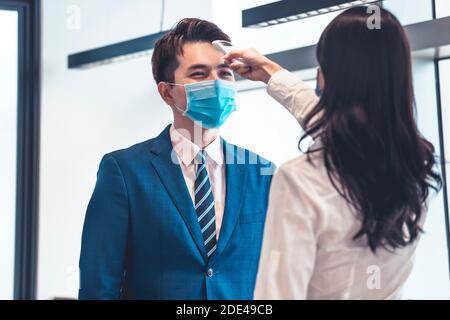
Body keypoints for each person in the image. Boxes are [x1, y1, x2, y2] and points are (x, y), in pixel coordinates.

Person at [224, 6, 442, 299]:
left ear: (324, 77)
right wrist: (271, 73)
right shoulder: (415, 172)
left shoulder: (300, 180)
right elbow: (341, 124)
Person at [78, 18, 274, 300]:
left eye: (224, 73)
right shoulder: (124, 171)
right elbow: (99, 283)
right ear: (167, 91)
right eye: (198, 74)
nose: (216, 84)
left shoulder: (263, 173)